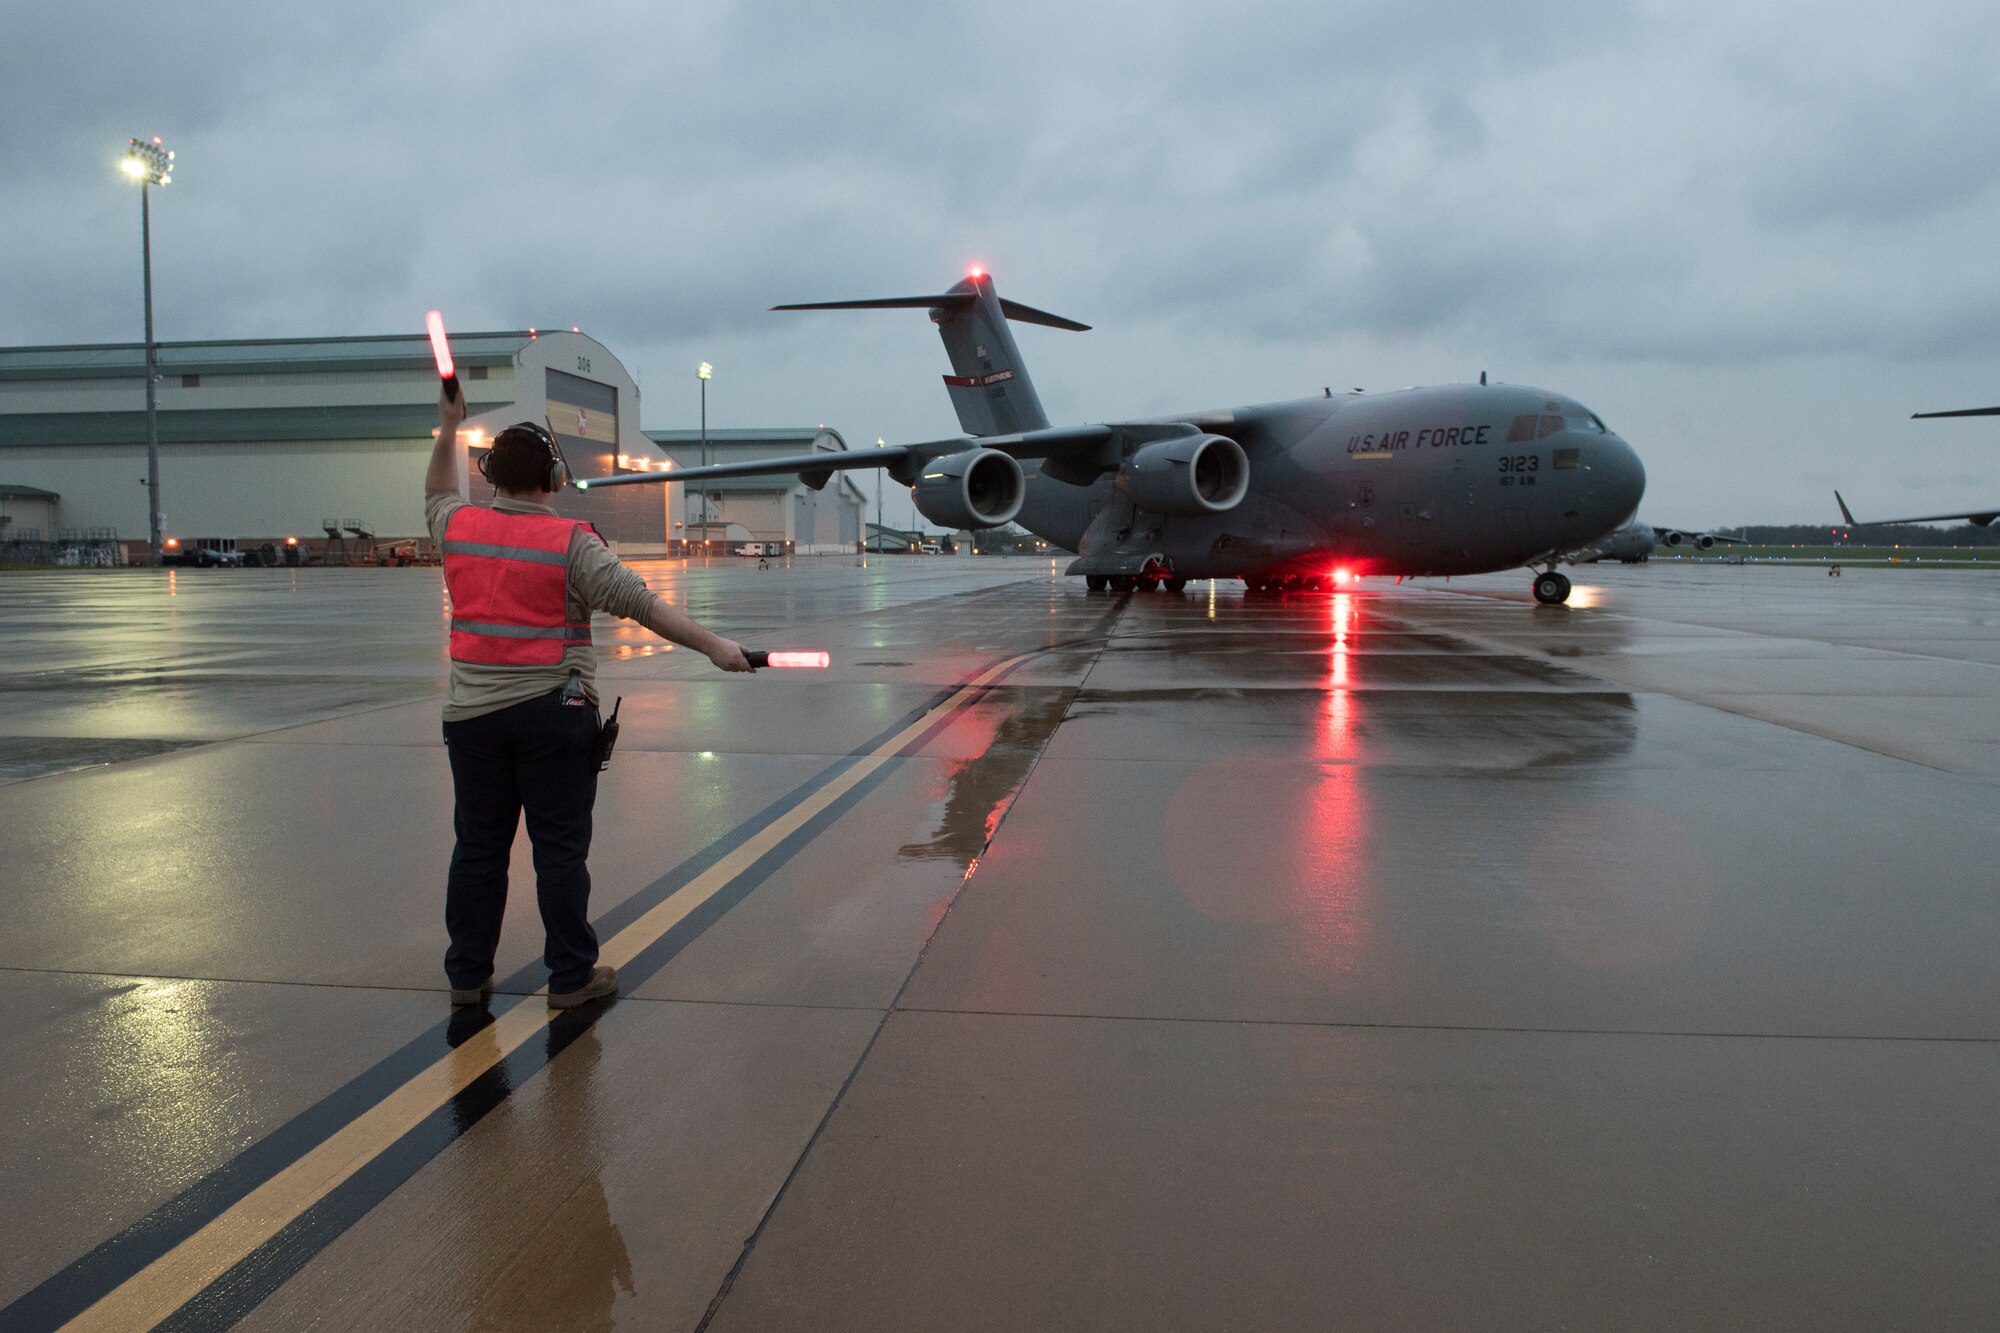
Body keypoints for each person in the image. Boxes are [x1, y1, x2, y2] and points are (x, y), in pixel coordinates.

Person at [425, 385, 751, 1009]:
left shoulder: (458, 528)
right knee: (559, 853)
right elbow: (643, 606)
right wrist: (714, 645)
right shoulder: (572, 543)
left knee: (478, 850)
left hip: (472, 721)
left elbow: (439, 491)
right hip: (553, 717)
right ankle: (570, 978)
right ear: (552, 478)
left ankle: (467, 975)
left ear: (489, 476)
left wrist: (448, 428)